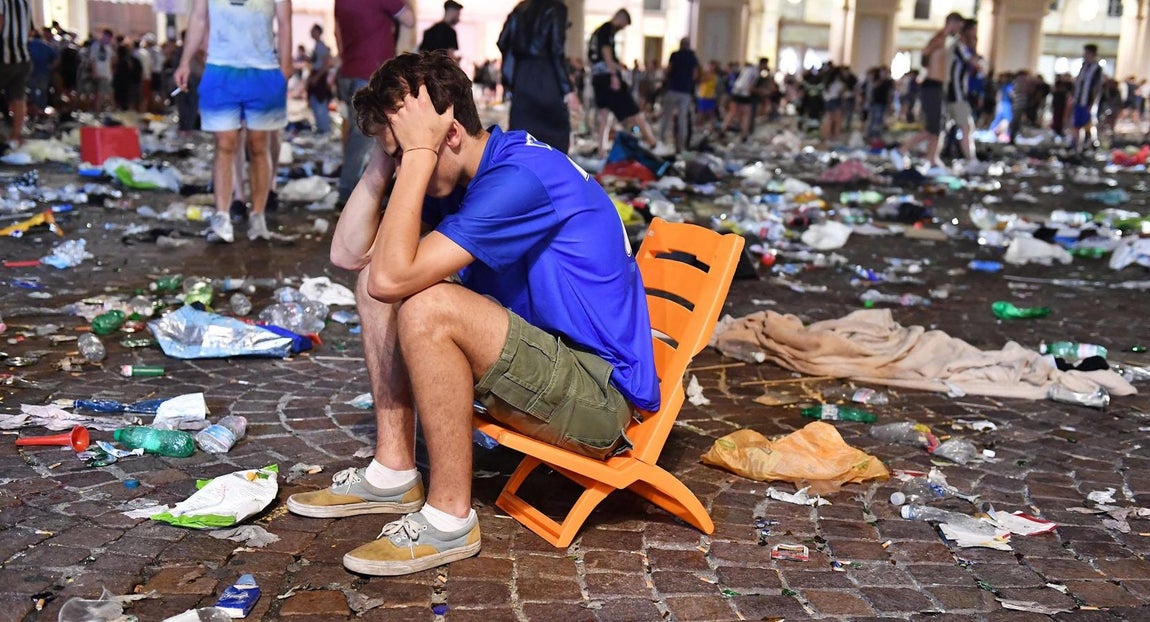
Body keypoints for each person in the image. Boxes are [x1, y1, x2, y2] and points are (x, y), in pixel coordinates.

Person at [286, 51, 659, 577]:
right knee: (376, 285)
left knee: (429, 305)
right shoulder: (462, 175)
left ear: (452, 134)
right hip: (552, 367)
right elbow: (351, 258)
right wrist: (382, 163)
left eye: (405, 151)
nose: (399, 165)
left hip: (600, 399)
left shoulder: (519, 179)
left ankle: (449, 520)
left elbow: (397, 279)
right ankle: (395, 471)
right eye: (392, 155)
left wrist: (417, 155)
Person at [175, 0, 293, 243]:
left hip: (264, 71)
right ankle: (222, 216)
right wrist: (185, 61)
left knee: (259, 145)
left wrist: (285, 67)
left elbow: (284, 23)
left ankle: (258, 216)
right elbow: (198, 19)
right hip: (220, 71)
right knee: (225, 143)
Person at [334, 0, 413, 206]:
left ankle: (355, 188)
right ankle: (350, 191)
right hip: (370, 70)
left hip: (347, 71)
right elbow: (409, 19)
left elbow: (337, 34)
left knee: (355, 133)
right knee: (365, 136)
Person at [498, 0, 581, 153]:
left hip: (522, 77)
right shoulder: (556, 8)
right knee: (556, 135)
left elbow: (503, 41)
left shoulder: (520, 9)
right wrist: (567, 90)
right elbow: (556, 51)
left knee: (522, 136)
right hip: (546, 77)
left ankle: (524, 174)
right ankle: (550, 175)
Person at [898, 11, 964, 171]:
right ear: (952, 23)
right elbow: (925, 53)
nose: (959, 30)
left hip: (939, 86)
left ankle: (932, 159)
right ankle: (900, 150)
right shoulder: (939, 38)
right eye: (958, 26)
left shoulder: (947, 41)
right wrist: (929, 67)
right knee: (933, 128)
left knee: (939, 127)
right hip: (932, 85)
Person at [588, 9, 659, 156]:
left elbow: (593, 57)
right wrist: (614, 74)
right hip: (608, 77)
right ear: (620, 19)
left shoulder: (597, 32)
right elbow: (606, 51)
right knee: (635, 111)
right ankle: (653, 144)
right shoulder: (608, 29)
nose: (623, 28)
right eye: (624, 24)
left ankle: (602, 150)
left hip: (598, 78)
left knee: (604, 116)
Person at [945, 18, 980, 169]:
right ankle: (971, 160)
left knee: (940, 131)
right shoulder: (958, 47)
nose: (975, 36)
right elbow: (975, 63)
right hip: (956, 94)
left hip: (957, 94)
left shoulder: (959, 47)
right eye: (974, 32)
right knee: (965, 128)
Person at [659, 37, 698, 152]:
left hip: (673, 88)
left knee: (666, 116)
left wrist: (666, 78)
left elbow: (669, 70)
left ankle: (662, 140)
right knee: (683, 118)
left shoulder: (675, 55)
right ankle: (681, 144)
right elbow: (695, 74)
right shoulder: (692, 57)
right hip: (685, 91)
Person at [0, 0, 30, 147]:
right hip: (23, 56)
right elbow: (29, 29)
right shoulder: (24, 2)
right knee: (19, 96)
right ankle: (15, 136)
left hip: (4, 55)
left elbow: (0, 21)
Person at [1070, 43, 1103, 153]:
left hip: (1087, 102)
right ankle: (1075, 146)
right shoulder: (1084, 66)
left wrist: (1092, 103)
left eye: (1087, 53)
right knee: (1076, 125)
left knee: (1087, 125)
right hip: (1078, 100)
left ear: (1092, 54)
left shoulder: (1096, 68)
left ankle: (1087, 145)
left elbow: (1096, 87)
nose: (1084, 55)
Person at [306, 24, 332, 134]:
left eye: (313, 30)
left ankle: (324, 129)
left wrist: (316, 77)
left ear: (318, 32)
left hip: (319, 77)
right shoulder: (316, 46)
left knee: (320, 102)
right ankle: (320, 127)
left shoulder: (321, 46)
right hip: (315, 76)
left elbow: (326, 64)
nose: (311, 32)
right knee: (314, 102)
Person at [27, 29, 58, 120]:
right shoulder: (46, 45)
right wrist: (50, 67)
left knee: (32, 92)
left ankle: (34, 112)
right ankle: (42, 111)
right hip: (44, 72)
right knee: (42, 92)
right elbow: (56, 58)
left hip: (32, 73)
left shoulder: (29, 44)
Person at [88, 29, 115, 113]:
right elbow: (92, 60)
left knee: (108, 93)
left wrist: (110, 73)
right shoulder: (96, 46)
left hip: (107, 74)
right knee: (100, 94)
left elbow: (110, 61)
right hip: (100, 73)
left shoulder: (109, 47)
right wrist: (94, 72)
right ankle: (98, 111)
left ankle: (109, 110)